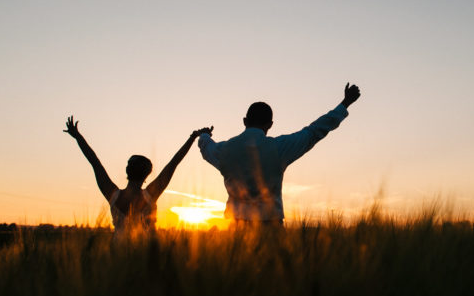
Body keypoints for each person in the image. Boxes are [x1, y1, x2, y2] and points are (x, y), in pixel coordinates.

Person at [198, 83, 361, 224]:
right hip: (271, 227)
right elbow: (314, 131)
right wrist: (345, 104)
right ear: (270, 124)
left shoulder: (225, 150)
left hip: (234, 228)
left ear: (245, 121)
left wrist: (204, 134)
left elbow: (207, 148)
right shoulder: (279, 148)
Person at [64, 116, 212, 234]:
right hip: (145, 258)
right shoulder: (150, 194)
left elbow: (94, 162)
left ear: (127, 171)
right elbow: (173, 163)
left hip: (118, 257)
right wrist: (193, 138)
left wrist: (78, 136)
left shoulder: (113, 195)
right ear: (147, 175)